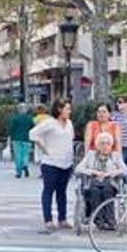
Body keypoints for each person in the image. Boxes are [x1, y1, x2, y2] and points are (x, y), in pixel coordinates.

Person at [29, 99, 75, 234]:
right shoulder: (50, 123)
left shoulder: (69, 124)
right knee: (49, 190)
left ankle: (62, 218)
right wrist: (43, 148)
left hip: (66, 162)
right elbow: (33, 134)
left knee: (62, 191)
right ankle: (48, 219)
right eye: (67, 109)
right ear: (60, 110)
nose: (69, 111)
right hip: (51, 162)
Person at [75, 132, 127, 229]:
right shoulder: (91, 155)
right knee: (95, 191)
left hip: (110, 182)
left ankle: (110, 220)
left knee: (107, 191)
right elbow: (78, 169)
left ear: (111, 145)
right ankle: (98, 220)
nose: (105, 146)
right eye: (102, 143)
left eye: (108, 143)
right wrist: (94, 172)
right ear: (97, 145)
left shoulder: (115, 156)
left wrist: (111, 173)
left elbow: (125, 170)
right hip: (93, 181)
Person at [8, 104, 34, 178]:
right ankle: (25, 165)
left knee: (18, 155)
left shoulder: (15, 118)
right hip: (27, 138)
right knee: (26, 154)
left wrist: (10, 137)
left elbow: (11, 128)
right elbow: (33, 127)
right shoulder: (30, 118)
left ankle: (19, 172)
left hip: (16, 139)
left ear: (18, 110)